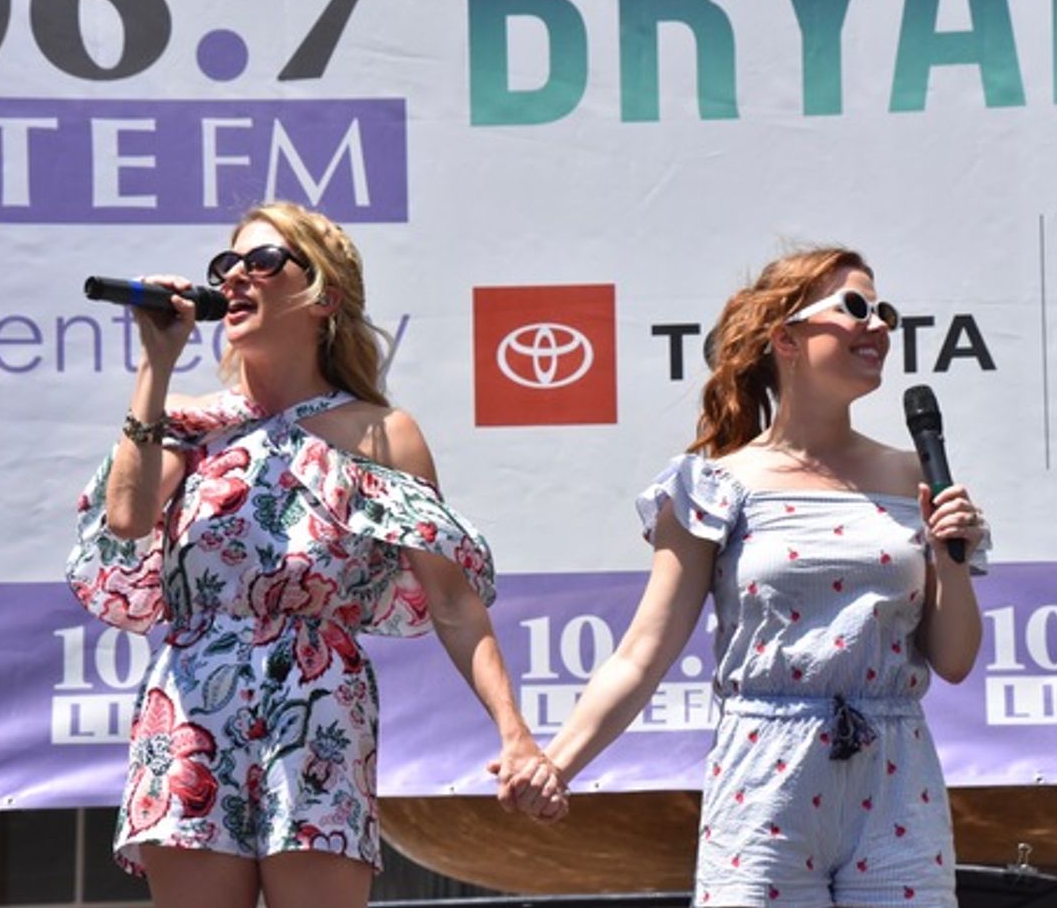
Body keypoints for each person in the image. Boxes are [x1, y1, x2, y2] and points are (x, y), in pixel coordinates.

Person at [66, 201, 565, 908]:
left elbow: (454, 602)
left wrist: (516, 734)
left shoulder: (381, 433)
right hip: (190, 702)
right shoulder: (185, 421)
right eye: (225, 265)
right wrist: (156, 364)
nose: (236, 275)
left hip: (319, 702)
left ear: (323, 295)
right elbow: (127, 517)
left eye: (262, 260)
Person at [526, 247, 989, 906]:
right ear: (787, 338)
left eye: (883, 311)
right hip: (766, 772)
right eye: (855, 308)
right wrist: (556, 763)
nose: (879, 326)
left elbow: (956, 658)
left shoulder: (914, 476)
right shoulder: (716, 483)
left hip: (896, 771)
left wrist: (951, 557)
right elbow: (643, 651)